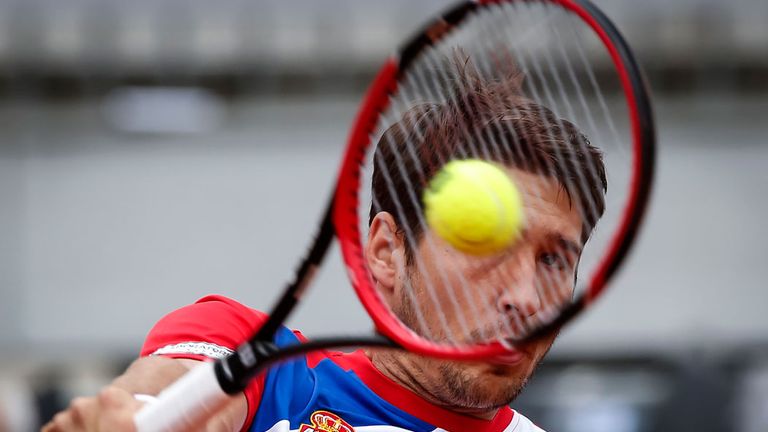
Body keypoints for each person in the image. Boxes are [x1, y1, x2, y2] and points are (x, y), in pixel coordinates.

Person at [43, 58, 606, 432]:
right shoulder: (262, 365)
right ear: (387, 251)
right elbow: (171, 395)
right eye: (486, 244)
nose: (528, 297)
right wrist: (133, 418)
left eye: (554, 259)